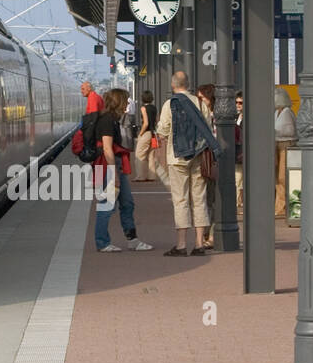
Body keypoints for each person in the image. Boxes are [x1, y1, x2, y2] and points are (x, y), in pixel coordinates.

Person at [156, 71, 221, 256]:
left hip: (177, 158)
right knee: (199, 199)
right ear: (189, 84)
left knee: (181, 200)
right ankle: (200, 243)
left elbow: (163, 132)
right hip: (199, 157)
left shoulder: (170, 104)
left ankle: (181, 244)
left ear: (173, 85)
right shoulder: (200, 103)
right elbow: (208, 128)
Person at [93, 88, 153, 252]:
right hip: (107, 167)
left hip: (110, 167)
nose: (128, 103)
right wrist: (114, 174)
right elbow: (107, 148)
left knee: (127, 203)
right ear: (118, 101)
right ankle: (102, 242)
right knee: (106, 205)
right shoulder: (106, 120)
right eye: (125, 100)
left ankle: (132, 239)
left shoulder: (112, 119)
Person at [195, 83, 218, 250]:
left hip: (214, 159)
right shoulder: (200, 115)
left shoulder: (217, 115)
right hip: (204, 159)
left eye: (202, 98)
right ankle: (206, 232)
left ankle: (212, 234)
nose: (199, 101)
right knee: (204, 199)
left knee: (212, 198)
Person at [275, 87, 297, 217]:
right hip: (277, 143)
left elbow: (289, 131)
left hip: (285, 144)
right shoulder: (277, 112)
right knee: (277, 177)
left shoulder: (287, 112)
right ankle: (279, 205)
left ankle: (282, 205)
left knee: (283, 176)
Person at [133, 89, 157, 181]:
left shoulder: (143, 108)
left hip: (146, 133)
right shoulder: (154, 108)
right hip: (153, 133)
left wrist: (140, 133)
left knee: (139, 155)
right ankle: (152, 176)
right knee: (151, 155)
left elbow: (145, 123)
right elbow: (156, 120)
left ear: (143, 98)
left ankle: (141, 176)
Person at [233, 91, 244, 213]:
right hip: (237, 152)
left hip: (243, 151)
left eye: (240, 102)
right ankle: (237, 201)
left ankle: (239, 201)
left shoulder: (248, 117)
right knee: (237, 178)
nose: (237, 105)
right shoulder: (236, 116)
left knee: (240, 178)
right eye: (236, 102)